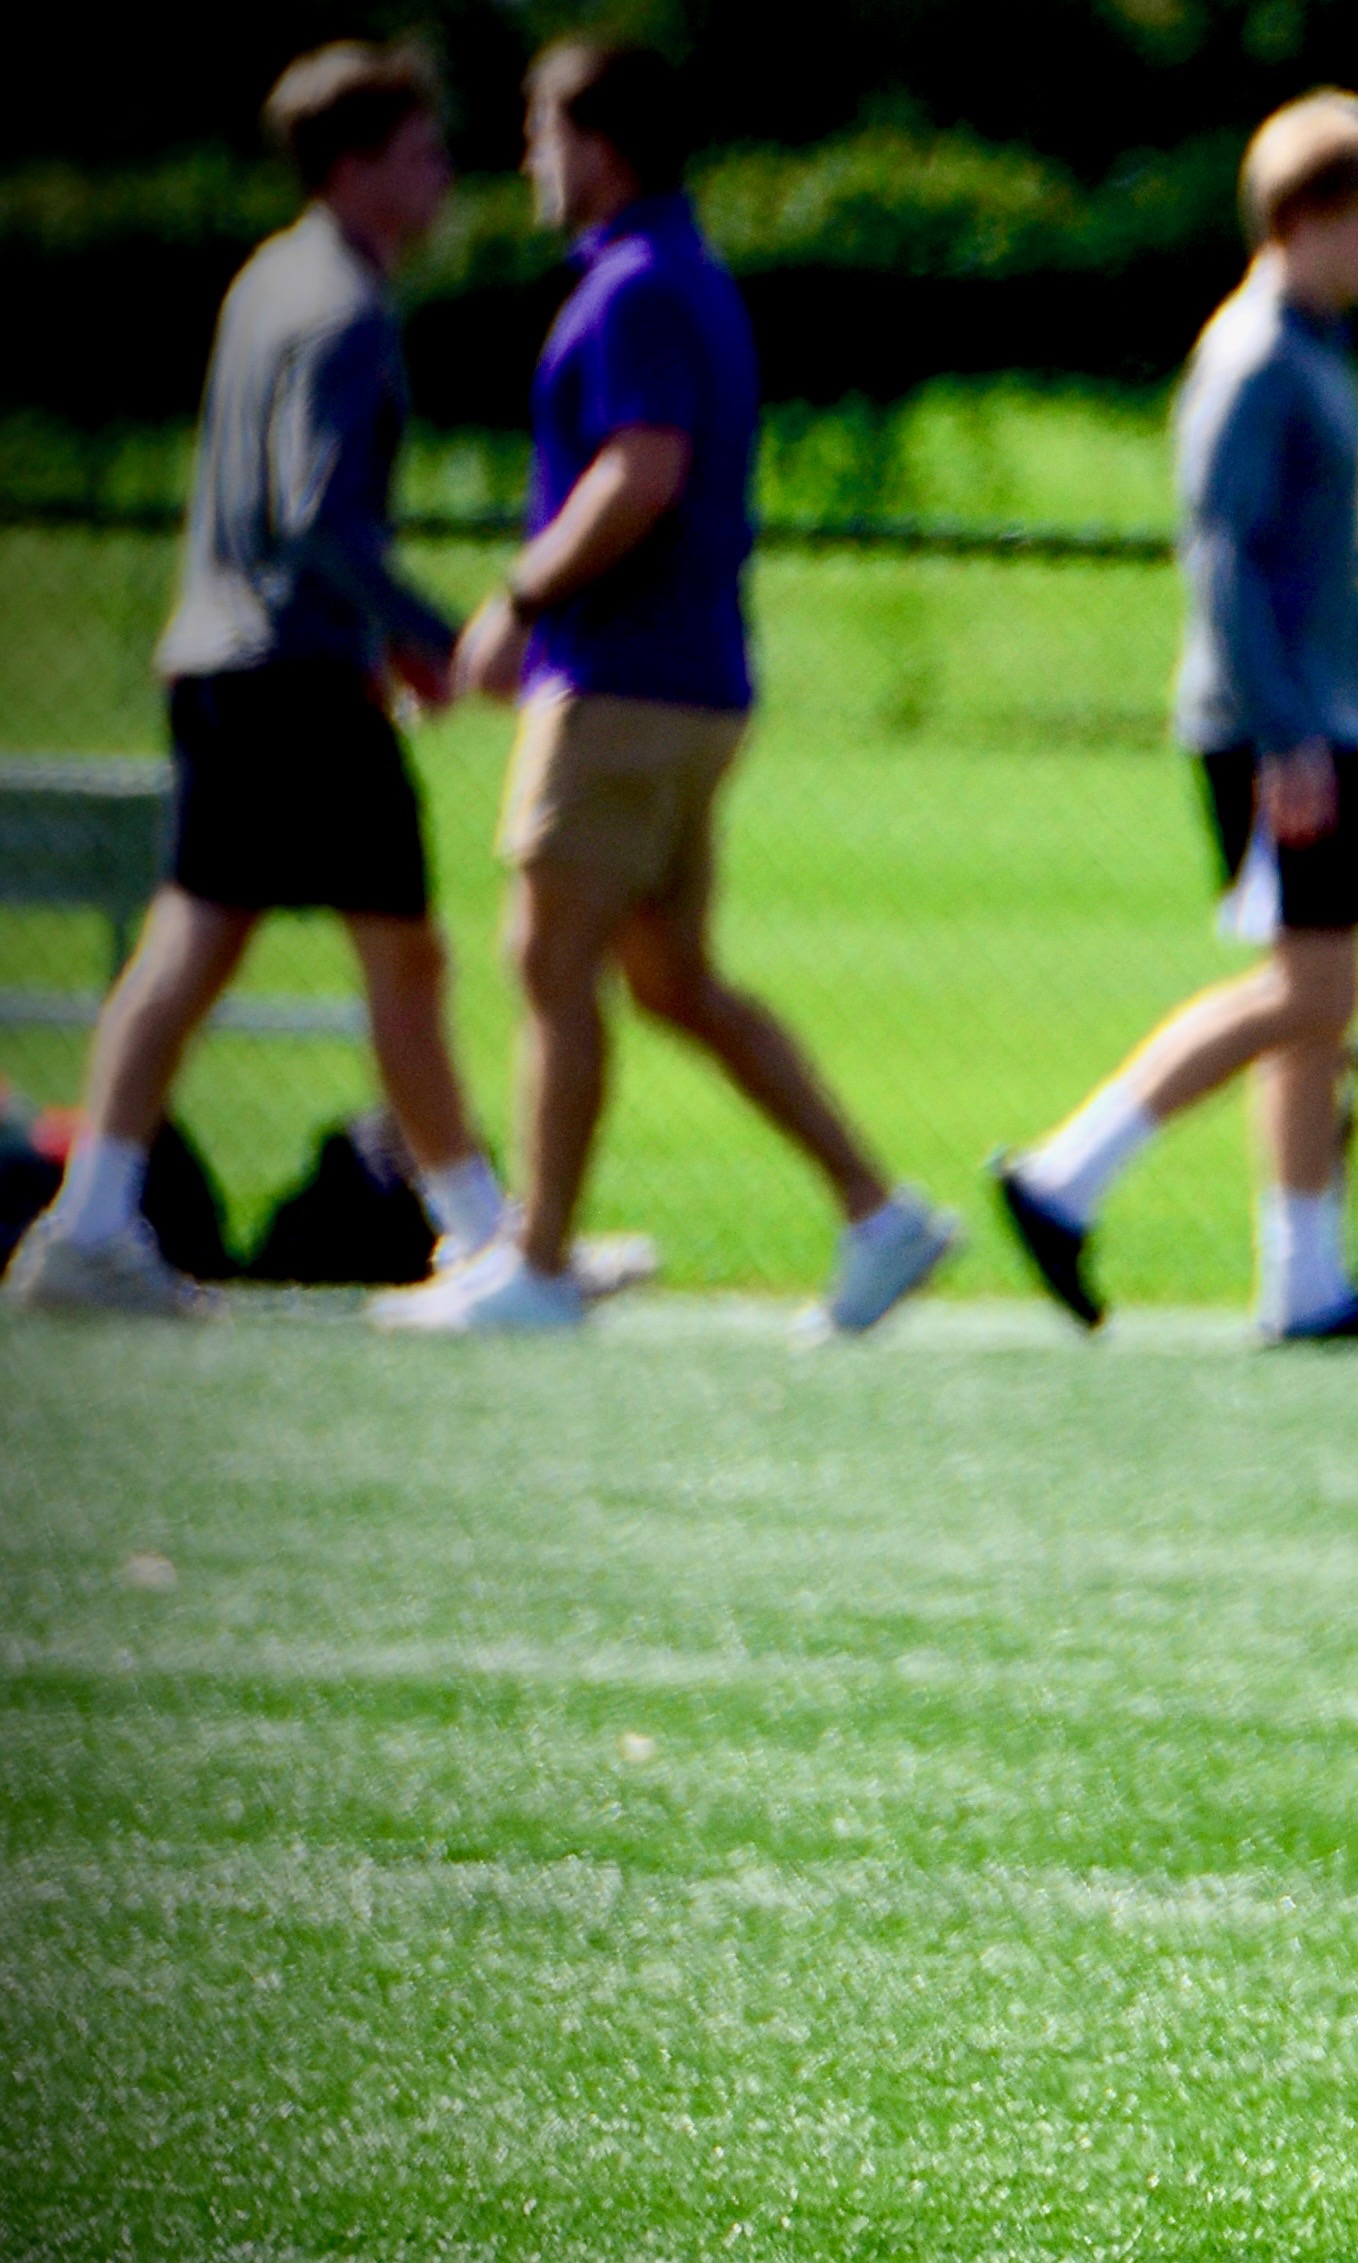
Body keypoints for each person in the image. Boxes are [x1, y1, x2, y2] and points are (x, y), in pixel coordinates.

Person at [377, 38, 952, 1337]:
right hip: (692, 681)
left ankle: (534, 1262)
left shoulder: (636, 286)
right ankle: (879, 1210)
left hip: (622, 682)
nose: (530, 161)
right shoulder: (678, 274)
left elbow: (641, 472)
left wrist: (520, 601)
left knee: (544, 955)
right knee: (672, 980)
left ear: (601, 145)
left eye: (544, 134)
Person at [7, 44, 505, 1321]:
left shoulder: (268, 278)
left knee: (196, 939)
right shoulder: (343, 304)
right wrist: (428, 635)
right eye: (420, 152)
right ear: (353, 167)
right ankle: (485, 1236)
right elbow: (318, 521)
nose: (444, 175)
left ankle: (93, 1221)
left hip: (220, 668)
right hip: (293, 679)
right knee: (403, 955)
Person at [990, 93, 1358, 1342]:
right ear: (1300, 219)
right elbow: (1224, 556)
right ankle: (1063, 1175)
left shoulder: (1317, 350)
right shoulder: (1250, 356)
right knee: (1311, 984)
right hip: (1267, 728)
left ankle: (1303, 1281)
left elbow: (1334, 572)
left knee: (1319, 991)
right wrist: (1290, 731)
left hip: (1314, 716)